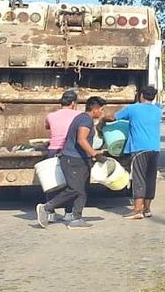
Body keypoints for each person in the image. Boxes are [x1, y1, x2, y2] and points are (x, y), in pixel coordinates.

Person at [36, 96, 107, 229]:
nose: (102, 113)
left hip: (80, 159)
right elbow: (81, 139)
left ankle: (76, 218)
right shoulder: (85, 119)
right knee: (74, 189)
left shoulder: (83, 118)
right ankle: (46, 207)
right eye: (101, 110)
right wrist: (95, 155)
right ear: (95, 109)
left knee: (81, 190)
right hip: (73, 160)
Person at [104, 85, 162, 219]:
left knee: (139, 178)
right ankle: (147, 209)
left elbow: (113, 118)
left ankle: (137, 210)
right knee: (150, 178)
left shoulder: (133, 108)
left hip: (139, 148)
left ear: (141, 95)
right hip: (155, 148)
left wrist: (102, 119)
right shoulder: (157, 110)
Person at [43, 90, 81, 223]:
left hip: (53, 150)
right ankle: (68, 212)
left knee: (52, 182)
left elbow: (47, 126)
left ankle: (51, 213)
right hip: (69, 150)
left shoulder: (51, 115)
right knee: (70, 183)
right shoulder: (79, 115)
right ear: (73, 103)